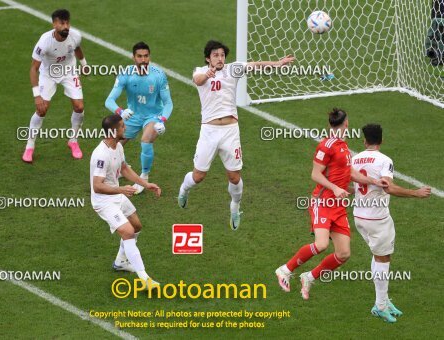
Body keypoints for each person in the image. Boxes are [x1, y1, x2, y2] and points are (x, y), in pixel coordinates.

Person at [177, 40, 295, 230]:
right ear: (208, 58)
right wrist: (209, 73)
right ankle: (184, 189)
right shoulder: (200, 71)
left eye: (222, 55)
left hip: (230, 131)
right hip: (209, 131)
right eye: (215, 55)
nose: (220, 58)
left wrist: (277, 64)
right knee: (198, 176)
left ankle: (235, 206)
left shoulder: (233, 70)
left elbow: (255, 66)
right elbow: (197, 81)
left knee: (234, 177)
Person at [275, 108, 389, 299]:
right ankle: (285, 270)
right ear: (346, 123)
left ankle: (309, 277)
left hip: (337, 207)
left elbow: (350, 174)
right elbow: (315, 174)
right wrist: (335, 188)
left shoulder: (343, 146)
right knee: (321, 245)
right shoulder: (326, 146)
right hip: (322, 202)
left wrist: (373, 182)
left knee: (343, 253)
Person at [352, 123, 431, 323]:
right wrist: (416, 193)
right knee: (383, 259)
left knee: (377, 255)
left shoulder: (354, 158)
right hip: (378, 219)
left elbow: (349, 185)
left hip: (359, 216)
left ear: (364, 140)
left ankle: (384, 301)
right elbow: (388, 188)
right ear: (382, 140)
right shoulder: (385, 160)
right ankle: (379, 307)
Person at [91, 114, 161, 289]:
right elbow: (97, 186)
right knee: (128, 232)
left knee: (136, 225)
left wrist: (145, 184)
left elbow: (124, 168)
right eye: (122, 126)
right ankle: (145, 279)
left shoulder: (118, 147)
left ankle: (120, 262)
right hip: (104, 201)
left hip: (116, 195)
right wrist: (121, 189)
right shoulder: (101, 155)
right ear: (113, 131)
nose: (126, 129)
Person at [105, 41, 173, 194]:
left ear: (149, 57)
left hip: (153, 115)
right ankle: (123, 168)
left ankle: (144, 177)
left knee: (146, 139)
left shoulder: (158, 75)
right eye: (140, 56)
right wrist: (120, 112)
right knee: (112, 142)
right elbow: (109, 100)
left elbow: (168, 103)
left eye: (146, 56)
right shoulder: (125, 74)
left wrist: (162, 120)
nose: (143, 60)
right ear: (133, 57)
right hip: (133, 115)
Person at [22, 9, 88, 163]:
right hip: (48, 74)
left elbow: (77, 48)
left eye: (67, 23)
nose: (66, 26)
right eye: (62, 23)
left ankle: (73, 141)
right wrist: (36, 95)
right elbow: (33, 69)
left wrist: (84, 64)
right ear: (54, 24)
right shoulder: (44, 41)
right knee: (42, 109)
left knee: (79, 107)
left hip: (69, 72)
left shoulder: (75, 35)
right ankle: (29, 146)